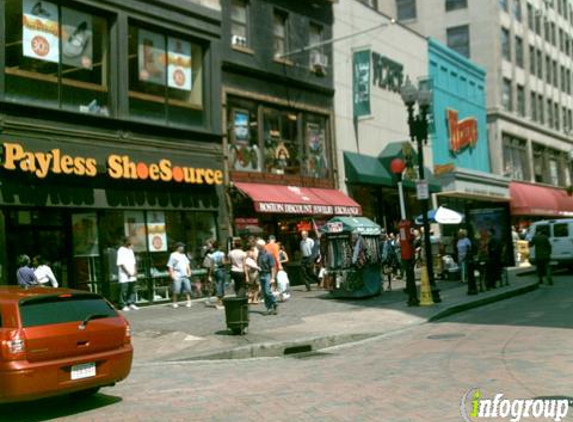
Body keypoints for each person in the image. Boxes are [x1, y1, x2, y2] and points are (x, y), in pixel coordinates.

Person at [167, 242, 192, 309]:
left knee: (188, 288)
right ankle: (174, 302)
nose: (183, 248)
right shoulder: (173, 255)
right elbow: (170, 266)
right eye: (182, 246)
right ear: (178, 247)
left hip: (185, 275)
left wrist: (189, 272)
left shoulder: (183, 255)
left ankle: (189, 301)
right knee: (176, 289)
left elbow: (187, 264)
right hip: (177, 275)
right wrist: (172, 275)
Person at [256, 238, 278, 315]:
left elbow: (273, 267)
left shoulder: (269, 255)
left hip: (267, 274)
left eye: (257, 245)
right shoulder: (259, 254)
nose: (256, 247)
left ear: (261, 246)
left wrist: (272, 278)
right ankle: (269, 308)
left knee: (267, 292)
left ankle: (274, 302)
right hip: (261, 274)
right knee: (264, 293)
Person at [117, 237, 138, 311]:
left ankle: (131, 303)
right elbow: (121, 264)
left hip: (132, 274)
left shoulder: (130, 250)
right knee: (124, 290)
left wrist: (135, 271)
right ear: (126, 242)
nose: (131, 243)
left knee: (132, 289)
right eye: (130, 242)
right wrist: (127, 273)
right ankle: (123, 305)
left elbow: (134, 262)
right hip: (124, 275)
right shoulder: (121, 250)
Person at [209, 240, 227, 307]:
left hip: (215, 270)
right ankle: (221, 299)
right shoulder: (221, 254)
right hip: (221, 269)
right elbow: (223, 262)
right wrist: (228, 262)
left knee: (218, 283)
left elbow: (212, 265)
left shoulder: (212, 255)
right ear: (219, 246)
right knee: (221, 284)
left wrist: (210, 274)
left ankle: (220, 299)